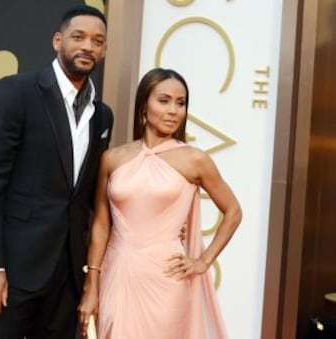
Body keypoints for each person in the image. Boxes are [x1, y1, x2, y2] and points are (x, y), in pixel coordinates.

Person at [0, 5, 113, 339]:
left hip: (67, 278)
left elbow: (84, 198)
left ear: (104, 50)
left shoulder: (102, 115)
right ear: (58, 40)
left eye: (97, 41)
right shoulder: (17, 92)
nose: (88, 46)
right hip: (13, 271)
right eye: (79, 37)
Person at [77, 68, 242, 338]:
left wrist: (203, 261)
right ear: (144, 104)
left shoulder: (194, 159)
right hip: (116, 275)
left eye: (181, 103)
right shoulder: (113, 158)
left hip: (167, 280)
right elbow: (100, 225)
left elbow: (233, 211)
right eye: (163, 101)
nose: (173, 111)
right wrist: (91, 283)